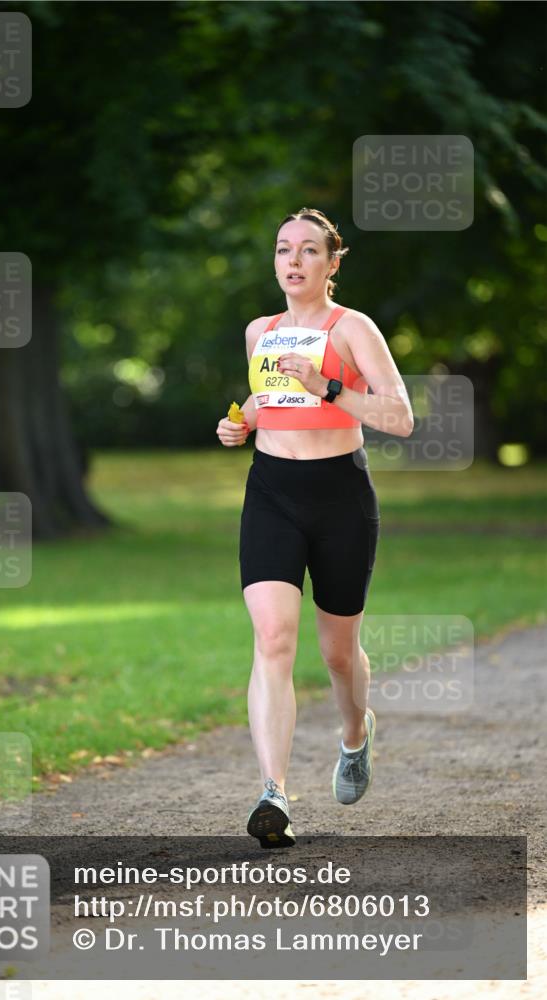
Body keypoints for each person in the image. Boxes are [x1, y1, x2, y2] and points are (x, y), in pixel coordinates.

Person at [216, 207, 413, 849]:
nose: (293, 260)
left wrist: (329, 386)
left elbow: (400, 417)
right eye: (282, 249)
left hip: (340, 499)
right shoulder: (260, 331)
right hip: (271, 492)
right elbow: (266, 399)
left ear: (332, 263)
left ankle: (355, 736)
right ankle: (274, 793)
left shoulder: (352, 328)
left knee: (336, 652)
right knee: (273, 637)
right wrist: (239, 422)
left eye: (307, 250)